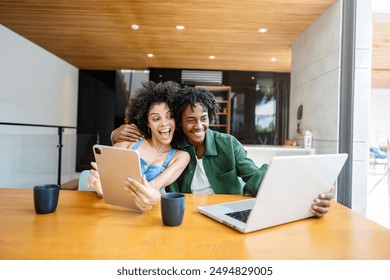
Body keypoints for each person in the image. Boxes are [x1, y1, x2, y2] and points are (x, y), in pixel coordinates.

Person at [111, 86, 334, 217]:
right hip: (187, 214)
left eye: (204, 119)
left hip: (226, 211)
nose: (198, 126)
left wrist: (306, 190)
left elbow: (255, 178)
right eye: (190, 120)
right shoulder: (175, 143)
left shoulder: (228, 144)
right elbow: (152, 131)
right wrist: (116, 133)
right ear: (180, 122)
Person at [87, 81, 190, 211]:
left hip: (151, 213)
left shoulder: (181, 157)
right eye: (156, 119)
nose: (164, 124)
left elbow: (149, 191)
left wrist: (109, 188)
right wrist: (101, 187)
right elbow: (105, 180)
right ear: (147, 122)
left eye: (170, 117)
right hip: (114, 211)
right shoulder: (128, 142)